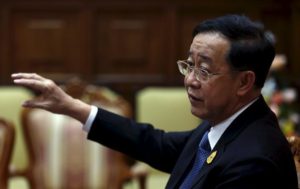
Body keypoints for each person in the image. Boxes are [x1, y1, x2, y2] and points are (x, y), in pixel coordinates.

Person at [12, 14, 298, 189]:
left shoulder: (253, 162)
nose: (190, 80)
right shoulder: (226, 124)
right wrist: (72, 107)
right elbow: (157, 144)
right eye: (189, 65)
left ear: (244, 82)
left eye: (204, 70)